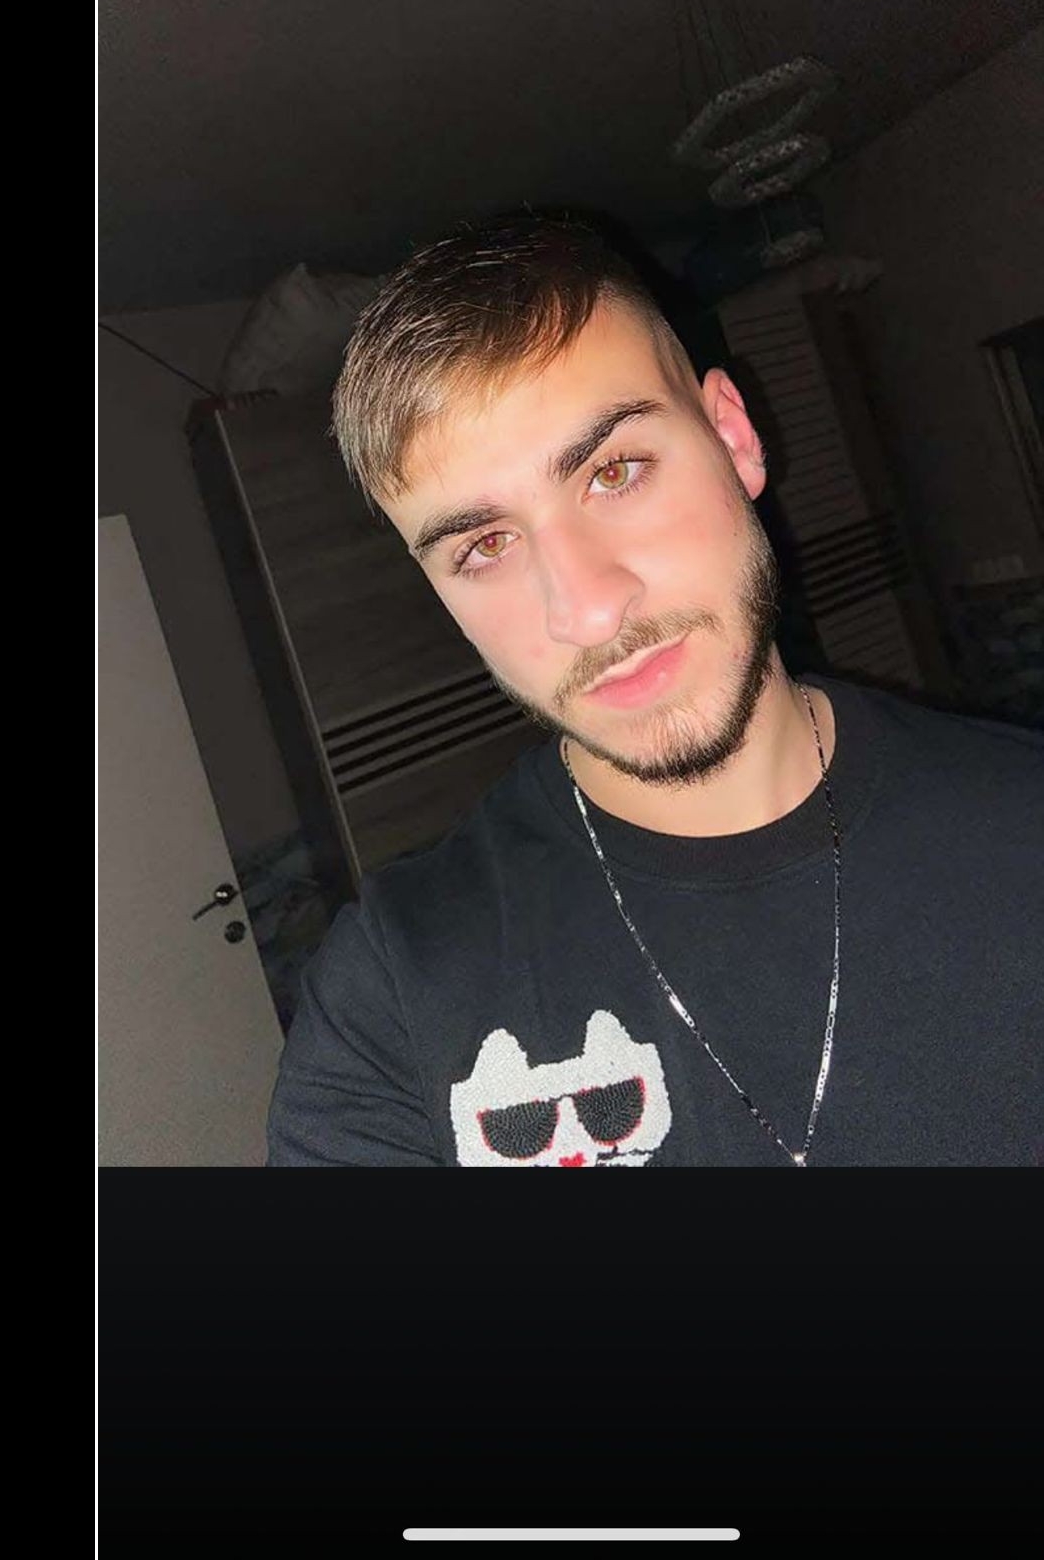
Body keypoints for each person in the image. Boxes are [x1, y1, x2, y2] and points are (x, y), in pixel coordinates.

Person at [264, 213, 1042, 1166]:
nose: (588, 610)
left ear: (733, 438)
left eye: (615, 472)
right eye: (485, 545)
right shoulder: (392, 998)